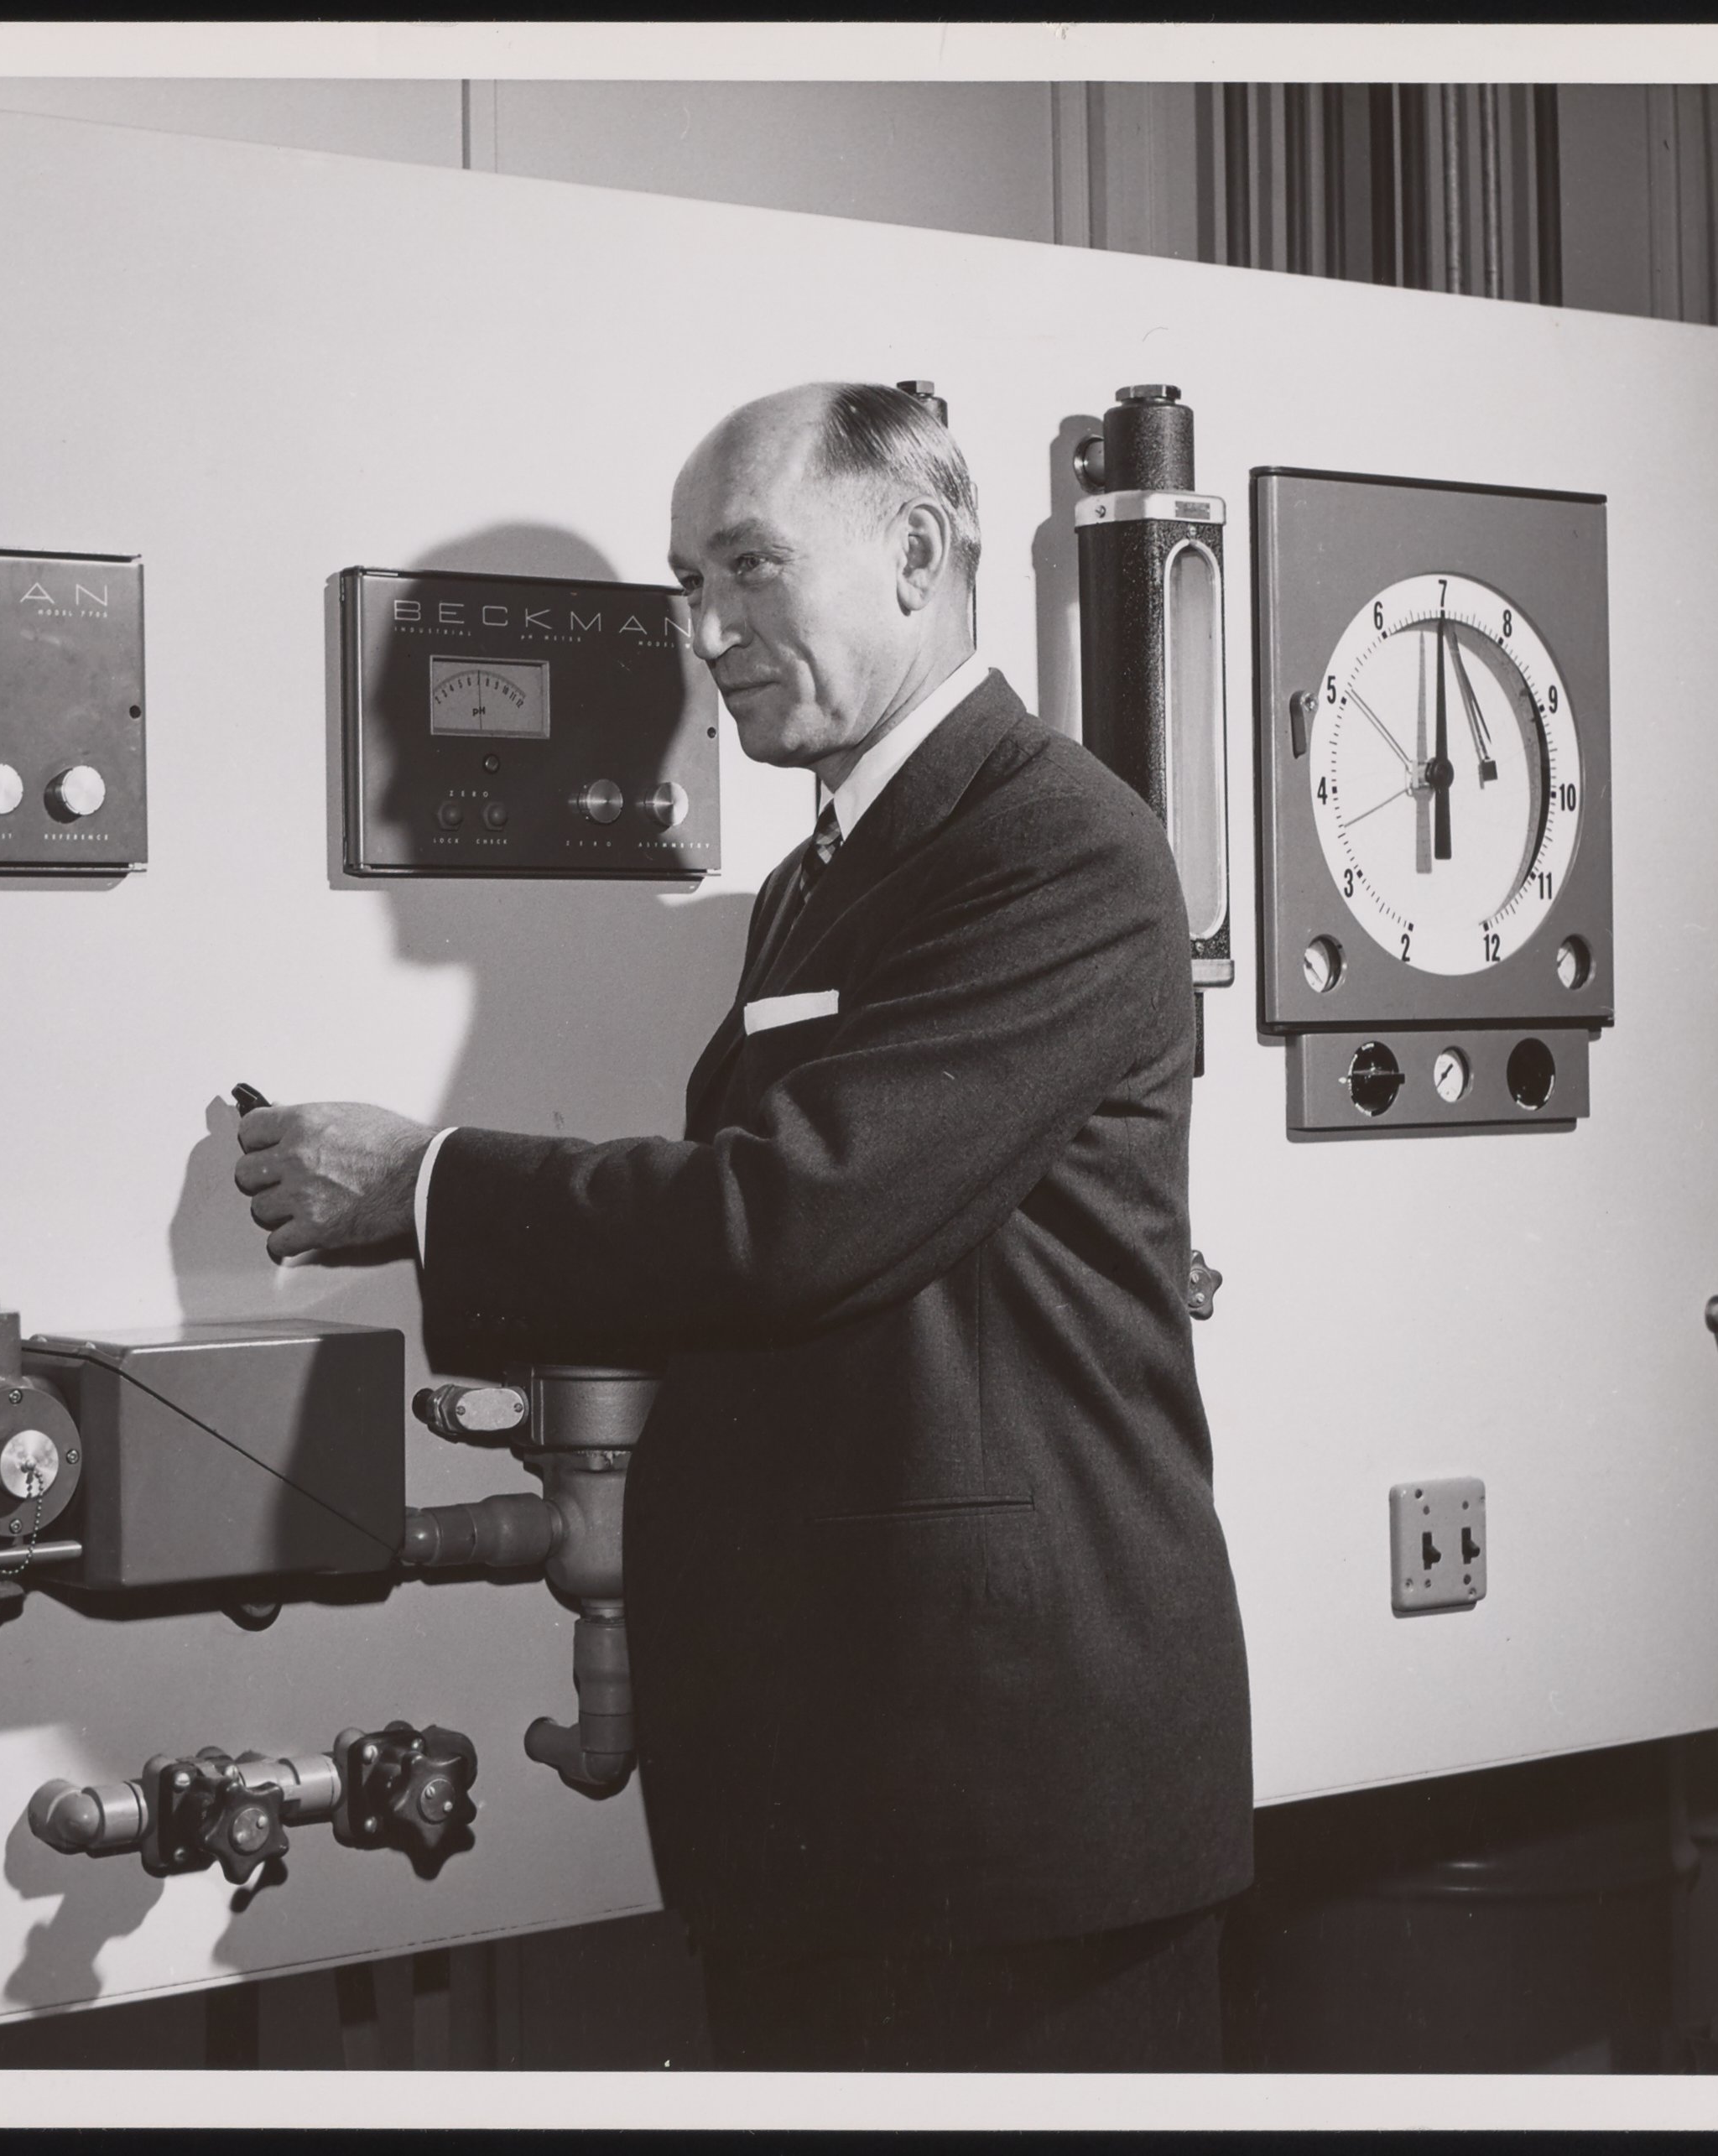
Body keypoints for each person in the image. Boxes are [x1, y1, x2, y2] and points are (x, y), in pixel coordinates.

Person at [233, 382, 1252, 2070]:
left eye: (750, 569)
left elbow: (795, 1212)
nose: (707, 633)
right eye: (687, 588)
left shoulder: (1056, 843)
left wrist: (426, 1185)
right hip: (850, 1782)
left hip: (1007, 1810)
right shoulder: (821, 879)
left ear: (915, 553)